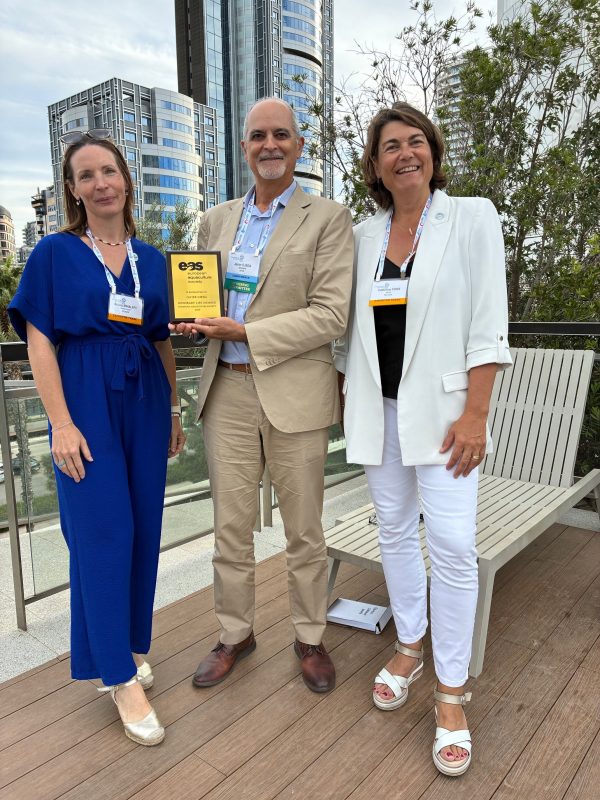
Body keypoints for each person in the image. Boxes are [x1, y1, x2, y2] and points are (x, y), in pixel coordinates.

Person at [334, 103, 512, 776]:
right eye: (390, 146)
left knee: (455, 546)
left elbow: (488, 324)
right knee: (393, 530)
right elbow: (347, 331)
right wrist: (346, 393)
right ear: (376, 166)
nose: (404, 153)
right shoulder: (361, 235)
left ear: (432, 153)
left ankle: (451, 692)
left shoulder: (471, 218)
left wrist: (476, 414)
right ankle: (409, 643)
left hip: (445, 416)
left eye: (415, 142)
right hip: (378, 413)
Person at [9, 129, 185, 746]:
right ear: (73, 190)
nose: (101, 183)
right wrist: (60, 422)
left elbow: (161, 340)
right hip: (84, 399)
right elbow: (39, 342)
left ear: (126, 180)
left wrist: (173, 410)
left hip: (145, 401)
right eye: (86, 175)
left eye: (108, 171)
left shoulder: (153, 259)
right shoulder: (54, 253)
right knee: (101, 531)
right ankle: (119, 677)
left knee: (142, 529)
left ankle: (127, 646)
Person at [170, 97, 353, 694]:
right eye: (257, 136)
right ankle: (235, 633)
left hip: (295, 391)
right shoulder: (216, 220)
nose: (269, 145)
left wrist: (246, 331)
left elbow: (330, 315)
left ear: (298, 145)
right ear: (244, 147)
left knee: (304, 530)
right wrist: (195, 322)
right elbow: (204, 294)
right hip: (226, 389)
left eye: (280, 134)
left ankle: (310, 637)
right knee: (230, 527)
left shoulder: (329, 217)